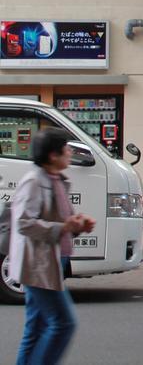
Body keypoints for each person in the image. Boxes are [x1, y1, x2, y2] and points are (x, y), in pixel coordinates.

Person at [11, 128, 96, 365]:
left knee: (36, 327)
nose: (70, 152)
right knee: (63, 323)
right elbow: (24, 223)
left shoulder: (55, 179)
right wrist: (64, 228)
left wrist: (78, 225)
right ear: (53, 155)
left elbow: (62, 220)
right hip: (37, 264)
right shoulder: (34, 182)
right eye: (66, 148)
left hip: (53, 259)